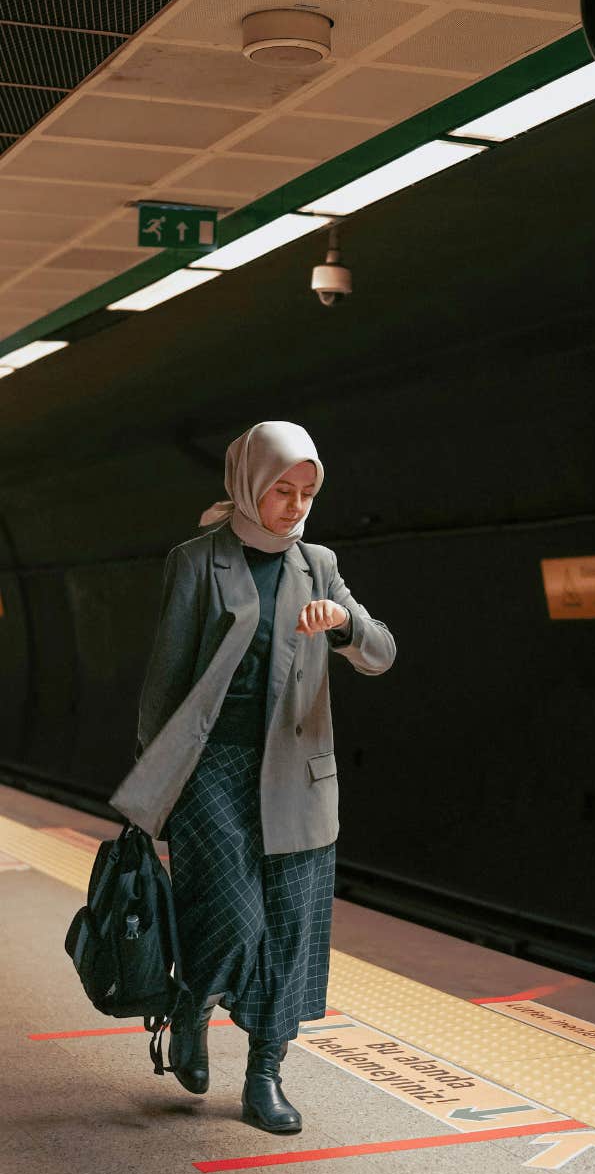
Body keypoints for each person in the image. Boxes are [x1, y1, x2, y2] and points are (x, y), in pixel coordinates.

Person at [108, 421, 396, 1134]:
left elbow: (382, 652)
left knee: (291, 932)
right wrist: (159, 789)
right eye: (281, 491)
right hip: (212, 770)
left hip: (299, 777)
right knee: (231, 919)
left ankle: (264, 1075)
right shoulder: (196, 561)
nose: (295, 506)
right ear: (247, 485)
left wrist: (344, 624)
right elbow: (164, 685)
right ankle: (193, 1005)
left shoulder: (319, 564)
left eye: (306, 492)